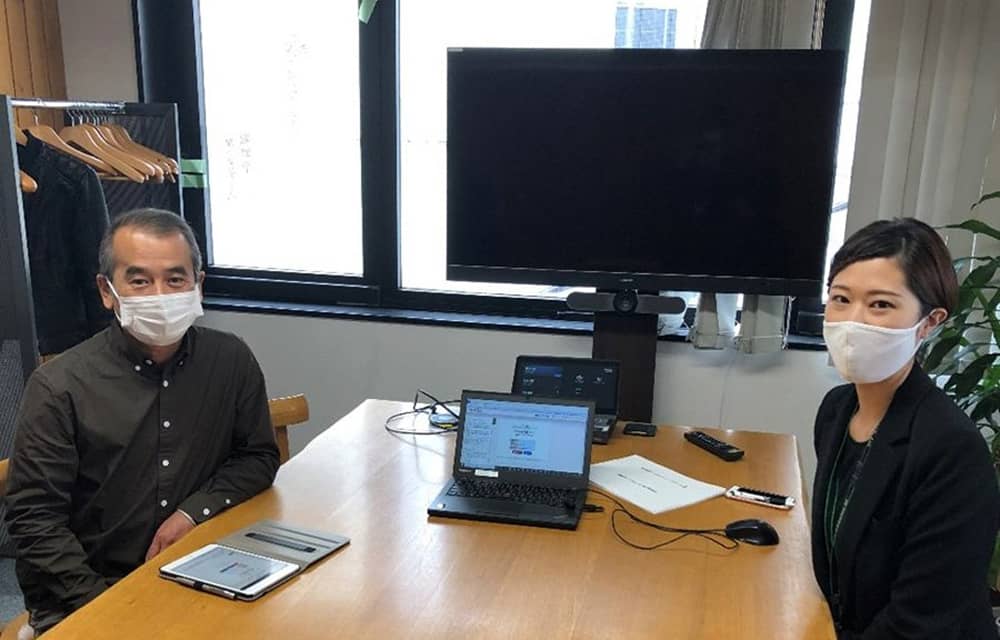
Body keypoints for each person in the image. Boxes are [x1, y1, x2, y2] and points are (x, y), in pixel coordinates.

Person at [4, 208, 280, 635]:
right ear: (106, 291)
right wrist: (113, 611)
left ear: (198, 284)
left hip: (198, 575)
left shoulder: (230, 360)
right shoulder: (59, 387)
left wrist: (192, 513)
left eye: (175, 279)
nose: (159, 295)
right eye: (139, 281)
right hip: (88, 594)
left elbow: (257, 456)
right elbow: (34, 520)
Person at [812, 217, 1000, 638]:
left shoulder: (951, 448)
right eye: (840, 298)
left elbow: (921, 620)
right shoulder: (836, 411)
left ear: (929, 322)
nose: (853, 321)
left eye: (880, 305)